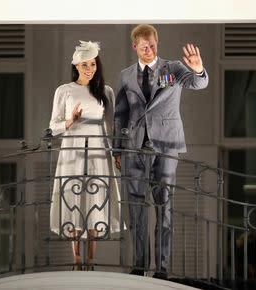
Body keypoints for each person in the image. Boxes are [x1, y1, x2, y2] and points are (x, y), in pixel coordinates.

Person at [113, 24, 209, 279]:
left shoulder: (174, 68)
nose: (149, 49)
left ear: (157, 43)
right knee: (136, 208)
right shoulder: (125, 75)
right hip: (134, 146)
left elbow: (198, 83)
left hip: (166, 146)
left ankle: (162, 268)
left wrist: (199, 70)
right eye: (144, 46)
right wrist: (117, 149)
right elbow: (120, 114)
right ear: (135, 46)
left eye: (153, 45)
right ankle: (139, 264)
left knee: (164, 207)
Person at [49, 40, 121, 271]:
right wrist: (70, 121)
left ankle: (90, 259)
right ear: (76, 66)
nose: (89, 68)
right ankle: (76, 259)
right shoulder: (64, 91)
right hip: (73, 149)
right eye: (84, 65)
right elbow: (53, 126)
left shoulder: (105, 91)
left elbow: (113, 125)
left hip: (99, 148)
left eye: (93, 64)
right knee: (72, 196)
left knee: (96, 197)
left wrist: (117, 151)